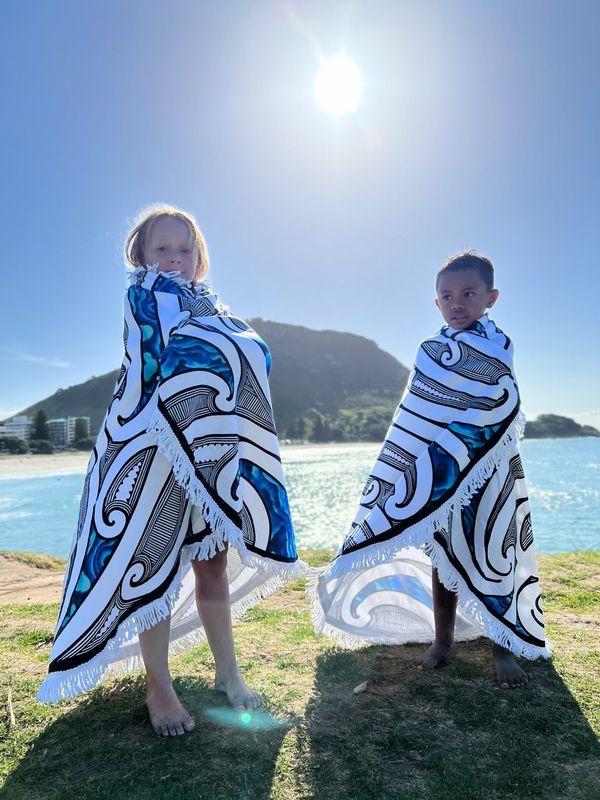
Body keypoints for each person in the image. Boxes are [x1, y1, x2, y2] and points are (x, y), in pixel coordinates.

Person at [38, 205, 302, 735]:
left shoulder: (209, 303)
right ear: (142, 254)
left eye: (185, 248)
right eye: (164, 248)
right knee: (151, 571)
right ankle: (159, 687)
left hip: (202, 455)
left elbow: (240, 355)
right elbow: (172, 354)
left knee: (212, 563)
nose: (175, 257)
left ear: (199, 256)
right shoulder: (143, 294)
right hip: (145, 452)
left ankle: (229, 673)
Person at [309, 251, 550, 688]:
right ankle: (443, 642)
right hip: (440, 475)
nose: (457, 302)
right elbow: (415, 418)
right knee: (444, 556)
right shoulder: (430, 352)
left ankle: (503, 647)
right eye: (447, 295)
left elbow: (501, 403)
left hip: (492, 471)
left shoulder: (499, 346)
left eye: (468, 293)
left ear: (491, 297)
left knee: (496, 552)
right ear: (436, 302)